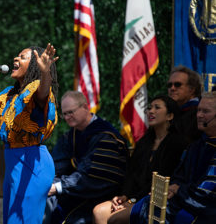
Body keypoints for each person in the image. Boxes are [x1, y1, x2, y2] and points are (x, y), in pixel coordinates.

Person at [0, 43, 59, 224]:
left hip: (32, 162)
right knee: (11, 220)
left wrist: (45, 72)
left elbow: (42, 95)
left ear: (34, 66)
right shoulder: (10, 94)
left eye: (22, 57)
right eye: (17, 56)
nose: (16, 59)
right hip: (13, 162)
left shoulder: (36, 88)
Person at [93, 95, 188, 224]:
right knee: (98, 211)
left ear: (170, 116)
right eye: (149, 108)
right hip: (133, 198)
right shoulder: (144, 142)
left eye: (157, 108)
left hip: (154, 200)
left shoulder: (177, 143)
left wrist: (132, 201)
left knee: (115, 218)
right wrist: (125, 196)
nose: (151, 111)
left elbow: (161, 179)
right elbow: (131, 174)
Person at [129, 91, 216, 224]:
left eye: (205, 111)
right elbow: (179, 176)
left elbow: (206, 192)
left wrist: (178, 190)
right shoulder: (196, 146)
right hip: (183, 200)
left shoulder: (183, 144)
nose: (199, 115)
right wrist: (173, 187)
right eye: (198, 110)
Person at [44, 90, 128, 224]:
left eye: (71, 112)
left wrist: (59, 187)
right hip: (73, 193)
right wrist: (50, 184)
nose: (67, 117)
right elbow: (56, 168)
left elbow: (92, 177)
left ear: (85, 107)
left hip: (100, 196)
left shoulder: (106, 137)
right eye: (64, 114)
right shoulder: (69, 137)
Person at [167, 65, 202, 143]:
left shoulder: (200, 113)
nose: (172, 88)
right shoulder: (169, 112)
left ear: (192, 89)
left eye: (177, 84)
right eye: (169, 85)